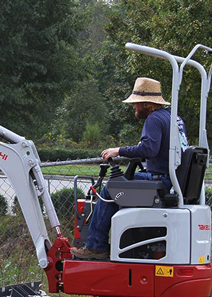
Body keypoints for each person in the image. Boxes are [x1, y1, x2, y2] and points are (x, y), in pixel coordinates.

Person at [71, 77, 188, 260]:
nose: (134, 107)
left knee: (111, 190)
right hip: (171, 180)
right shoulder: (174, 118)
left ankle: (96, 246)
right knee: (122, 185)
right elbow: (161, 150)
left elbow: (149, 149)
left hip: (161, 180)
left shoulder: (154, 119)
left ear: (147, 104)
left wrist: (118, 151)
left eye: (136, 103)